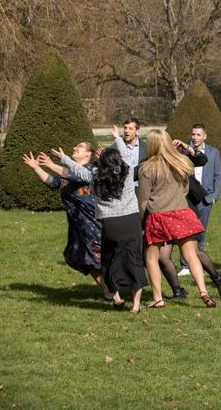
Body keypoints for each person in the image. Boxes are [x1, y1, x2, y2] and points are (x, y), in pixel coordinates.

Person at [68, 126, 147, 313]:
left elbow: (79, 171)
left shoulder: (97, 177)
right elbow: (125, 156)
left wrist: (64, 158)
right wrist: (118, 138)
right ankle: (136, 305)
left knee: (109, 261)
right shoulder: (128, 173)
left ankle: (117, 299)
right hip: (131, 223)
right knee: (134, 261)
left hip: (111, 224)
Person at [137, 129, 217, 309]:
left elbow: (143, 200)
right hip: (181, 212)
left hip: (157, 215)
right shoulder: (180, 162)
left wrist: (141, 222)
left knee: (151, 257)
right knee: (191, 255)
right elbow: (185, 189)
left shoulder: (146, 168)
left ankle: (158, 298)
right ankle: (203, 291)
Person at [23, 141, 111, 301]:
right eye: (75, 146)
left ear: (89, 154)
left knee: (95, 256)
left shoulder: (89, 170)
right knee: (83, 257)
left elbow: (73, 175)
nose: (75, 148)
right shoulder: (69, 170)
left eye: (80, 147)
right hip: (77, 222)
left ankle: (114, 291)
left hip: (91, 220)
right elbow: (53, 182)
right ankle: (110, 292)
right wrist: (36, 168)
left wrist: (51, 164)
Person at [153, 139, 221, 301]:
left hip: (185, 209)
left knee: (193, 252)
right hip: (164, 213)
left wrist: (187, 148)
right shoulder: (154, 162)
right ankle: (178, 291)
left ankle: (217, 278)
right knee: (163, 257)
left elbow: (202, 159)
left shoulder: (181, 157)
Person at [178, 123, 221, 276]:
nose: (195, 137)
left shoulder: (213, 152)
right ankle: (185, 266)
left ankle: (198, 263)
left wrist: (214, 196)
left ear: (205, 136)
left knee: (200, 233)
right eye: (193, 134)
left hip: (205, 199)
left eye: (198, 135)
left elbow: (217, 175)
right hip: (187, 198)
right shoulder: (183, 151)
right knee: (185, 233)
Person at [122, 117, 146, 191]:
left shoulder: (146, 147)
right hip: (123, 190)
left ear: (137, 131)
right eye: (125, 128)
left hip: (140, 190)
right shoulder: (118, 147)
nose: (126, 131)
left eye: (130, 129)